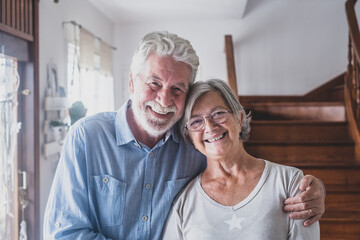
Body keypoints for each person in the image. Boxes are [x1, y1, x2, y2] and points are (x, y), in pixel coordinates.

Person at [43, 31, 325, 240]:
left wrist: (316, 191)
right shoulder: (87, 138)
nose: (164, 99)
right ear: (131, 81)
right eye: (154, 83)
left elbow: (250, 176)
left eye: (177, 89)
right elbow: (64, 232)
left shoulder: (194, 144)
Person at [162, 79, 320, 239]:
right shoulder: (184, 203)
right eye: (196, 121)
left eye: (218, 114)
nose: (209, 127)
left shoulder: (289, 182)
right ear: (190, 137)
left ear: (239, 118)